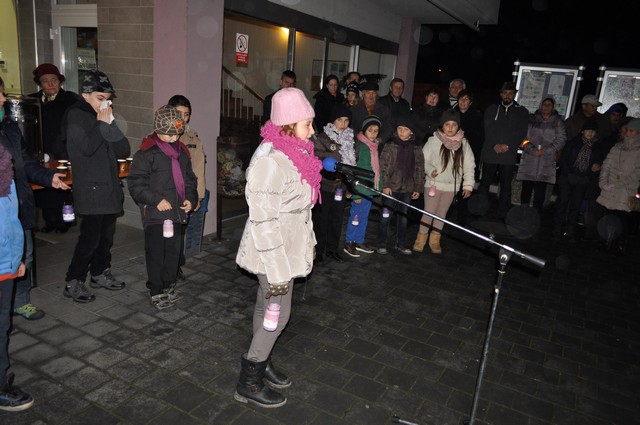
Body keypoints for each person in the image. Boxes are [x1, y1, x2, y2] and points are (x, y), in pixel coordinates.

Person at [234, 87, 322, 408]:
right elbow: (264, 221)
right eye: (307, 124)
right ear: (287, 125)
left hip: (289, 247)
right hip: (274, 253)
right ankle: (249, 380)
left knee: (265, 308)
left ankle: (263, 358)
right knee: (278, 316)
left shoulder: (297, 155)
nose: (312, 131)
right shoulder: (270, 163)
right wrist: (278, 270)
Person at [1, 77, 69, 320]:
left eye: (2, 93)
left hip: (19, 205)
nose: (3, 100)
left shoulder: (9, 127)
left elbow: (26, 163)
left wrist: (48, 177)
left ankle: (20, 302)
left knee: (23, 256)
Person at [63, 70, 130, 303]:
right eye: (100, 98)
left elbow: (123, 150)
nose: (105, 103)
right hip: (91, 189)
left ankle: (100, 273)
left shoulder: (102, 116)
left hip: (109, 187)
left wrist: (110, 124)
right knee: (90, 239)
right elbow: (87, 148)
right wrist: (102, 123)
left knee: (106, 237)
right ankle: (73, 280)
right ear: (86, 95)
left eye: (108, 99)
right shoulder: (76, 115)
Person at [128, 106, 197, 310]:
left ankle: (168, 284)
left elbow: (189, 179)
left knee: (173, 252)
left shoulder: (182, 152)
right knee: (157, 253)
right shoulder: (146, 153)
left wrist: (191, 198)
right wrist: (156, 199)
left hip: (177, 212)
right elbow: (136, 184)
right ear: (158, 131)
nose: (174, 138)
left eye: (177, 133)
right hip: (156, 214)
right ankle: (156, 289)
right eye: (169, 134)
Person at [0, 144, 34, 412]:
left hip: (5, 263)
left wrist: (15, 258)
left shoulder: (3, 163)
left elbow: (8, 218)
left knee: (2, 327)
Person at [413, 110, 474, 254]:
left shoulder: (463, 143)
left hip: (451, 187)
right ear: (442, 126)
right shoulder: (433, 141)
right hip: (433, 184)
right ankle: (421, 239)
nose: (451, 127)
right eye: (447, 124)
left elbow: (469, 165)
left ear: (458, 126)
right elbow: (423, 160)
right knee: (428, 213)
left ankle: (435, 240)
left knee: (441, 214)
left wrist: (468, 185)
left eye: (454, 124)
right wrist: (430, 170)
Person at [29, 63, 80, 234]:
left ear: (60, 82)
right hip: (41, 151)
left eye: (54, 80)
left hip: (62, 151)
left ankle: (64, 222)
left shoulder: (71, 100)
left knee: (62, 189)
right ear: (40, 83)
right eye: (45, 81)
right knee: (44, 189)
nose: (50, 84)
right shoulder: (33, 101)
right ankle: (50, 222)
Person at [167, 94, 206, 281]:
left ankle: (175, 266)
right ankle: (166, 267)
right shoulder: (160, 136)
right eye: (179, 114)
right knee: (165, 234)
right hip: (165, 194)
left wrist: (197, 196)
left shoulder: (193, 138)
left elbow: (199, 169)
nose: (183, 118)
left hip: (185, 195)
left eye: (186, 114)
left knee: (180, 232)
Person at [476, 81, 529, 219]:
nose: (507, 95)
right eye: (505, 93)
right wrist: (494, 144)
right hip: (490, 152)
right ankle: (479, 210)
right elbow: (487, 129)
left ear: (515, 94)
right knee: (484, 184)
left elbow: (521, 132)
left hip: (508, 154)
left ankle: (503, 213)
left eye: (510, 93)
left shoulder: (522, 111)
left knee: (506, 186)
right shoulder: (492, 109)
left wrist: (508, 145)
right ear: (501, 94)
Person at [313, 104, 357, 263]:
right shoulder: (324, 137)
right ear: (333, 121)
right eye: (339, 120)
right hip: (326, 185)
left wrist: (351, 187)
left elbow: (353, 163)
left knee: (337, 219)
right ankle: (319, 251)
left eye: (346, 120)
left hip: (341, 187)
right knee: (322, 220)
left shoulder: (350, 138)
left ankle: (332, 249)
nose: (343, 124)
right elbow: (317, 157)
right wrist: (336, 156)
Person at [377, 115, 425, 255]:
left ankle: (400, 244)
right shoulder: (390, 145)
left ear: (411, 131)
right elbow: (383, 166)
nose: (402, 132)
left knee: (403, 218)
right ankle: (381, 243)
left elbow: (419, 168)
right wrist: (385, 185)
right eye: (399, 128)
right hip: (391, 187)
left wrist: (418, 187)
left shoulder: (416, 148)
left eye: (405, 129)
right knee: (386, 216)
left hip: (407, 188)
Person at [594, 118, 640, 255]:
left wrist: (618, 184)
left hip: (625, 190)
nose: (627, 133)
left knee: (621, 218)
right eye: (627, 130)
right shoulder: (617, 147)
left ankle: (618, 244)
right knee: (607, 216)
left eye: (631, 131)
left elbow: (637, 174)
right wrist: (603, 183)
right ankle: (604, 241)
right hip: (610, 188)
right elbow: (606, 165)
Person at [553, 120, 604, 240]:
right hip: (568, 177)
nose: (590, 133)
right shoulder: (572, 143)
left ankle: (570, 230)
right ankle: (557, 228)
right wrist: (568, 173)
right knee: (562, 203)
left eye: (593, 131)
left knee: (576, 206)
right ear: (582, 131)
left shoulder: (597, 147)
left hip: (582, 179)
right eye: (588, 130)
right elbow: (564, 159)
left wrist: (589, 175)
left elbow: (598, 164)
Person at [516, 97, 566, 214]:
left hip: (546, 161)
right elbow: (522, 138)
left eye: (549, 105)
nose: (546, 107)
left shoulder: (558, 122)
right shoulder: (531, 120)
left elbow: (561, 139)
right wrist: (531, 149)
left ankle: (536, 215)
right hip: (530, 159)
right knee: (526, 188)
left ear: (553, 107)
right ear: (540, 105)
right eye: (544, 104)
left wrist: (546, 150)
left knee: (540, 190)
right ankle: (523, 213)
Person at [343, 116, 383, 258]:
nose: (373, 133)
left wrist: (378, 186)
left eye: (376, 131)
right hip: (359, 188)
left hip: (369, 188)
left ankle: (359, 240)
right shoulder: (358, 145)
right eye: (370, 130)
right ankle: (349, 241)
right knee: (355, 215)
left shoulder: (375, 146)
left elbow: (376, 169)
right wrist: (355, 193)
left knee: (364, 216)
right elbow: (353, 170)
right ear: (364, 130)